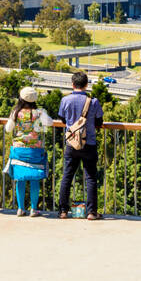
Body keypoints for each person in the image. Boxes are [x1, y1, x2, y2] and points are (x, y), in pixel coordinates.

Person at [57, 71, 104, 220]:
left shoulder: (65, 100)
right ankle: (91, 212)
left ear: (72, 84)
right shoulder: (93, 102)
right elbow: (99, 122)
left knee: (67, 176)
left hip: (71, 143)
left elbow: (63, 119)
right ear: (86, 84)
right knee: (90, 178)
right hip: (88, 143)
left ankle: (63, 211)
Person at [4, 86, 52, 217]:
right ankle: (33, 209)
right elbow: (50, 123)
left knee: (20, 178)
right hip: (35, 151)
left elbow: (8, 129)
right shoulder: (39, 112)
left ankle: (20, 208)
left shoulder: (16, 112)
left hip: (19, 150)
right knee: (34, 178)